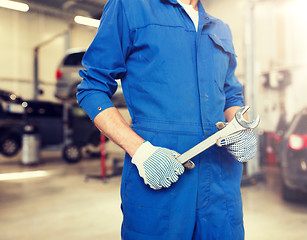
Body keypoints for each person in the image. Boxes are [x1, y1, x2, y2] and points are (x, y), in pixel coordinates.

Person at [76, 0, 257, 239]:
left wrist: (239, 129)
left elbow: (231, 94)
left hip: (221, 187)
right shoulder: (130, 7)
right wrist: (140, 152)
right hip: (161, 180)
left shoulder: (220, 28)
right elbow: (92, 89)